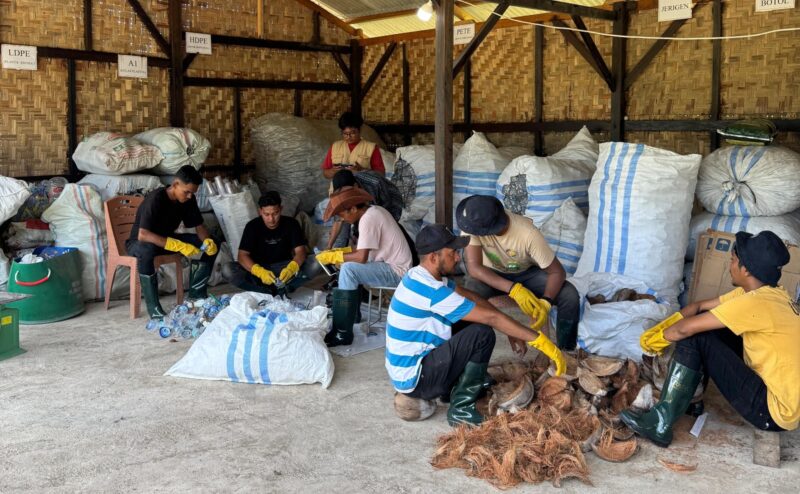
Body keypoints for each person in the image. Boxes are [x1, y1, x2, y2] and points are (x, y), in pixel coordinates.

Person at [620, 231, 799, 447]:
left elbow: (685, 331)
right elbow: (698, 307)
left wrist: (655, 340)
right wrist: (670, 323)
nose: (729, 266)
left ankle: (659, 424)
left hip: (771, 412)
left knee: (697, 337)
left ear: (746, 269)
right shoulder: (770, 294)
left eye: (733, 261)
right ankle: (692, 400)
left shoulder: (755, 304)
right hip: (783, 402)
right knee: (711, 329)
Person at [385, 224, 566, 427]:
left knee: (468, 320)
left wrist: (509, 329)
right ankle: (461, 408)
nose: (457, 257)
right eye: (452, 252)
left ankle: (452, 388)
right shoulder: (431, 291)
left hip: (416, 368)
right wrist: (539, 340)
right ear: (434, 257)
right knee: (481, 334)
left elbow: (467, 295)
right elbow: (490, 319)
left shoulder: (420, 276)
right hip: (418, 380)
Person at [455, 195, 580, 350]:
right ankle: (466, 352)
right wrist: (513, 288)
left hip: (526, 272)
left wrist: (546, 302)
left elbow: (557, 272)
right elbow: (474, 267)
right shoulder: (473, 225)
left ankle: (566, 351)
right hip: (490, 273)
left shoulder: (528, 234)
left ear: (489, 229)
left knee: (570, 295)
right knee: (468, 296)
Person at [315, 188, 412, 347]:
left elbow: (361, 257)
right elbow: (361, 250)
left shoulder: (368, 218)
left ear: (353, 208)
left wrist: (335, 257)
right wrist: (339, 252)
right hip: (389, 265)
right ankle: (352, 317)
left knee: (349, 269)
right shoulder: (374, 211)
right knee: (349, 267)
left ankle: (342, 332)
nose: (344, 220)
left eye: (343, 215)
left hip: (397, 271)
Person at [126, 165, 218, 319]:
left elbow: (199, 226)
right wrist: (178, 245)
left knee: (214, 241)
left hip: (166, 241)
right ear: (175, 184)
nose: (189, 196)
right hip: (140, 243)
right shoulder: (155, 198)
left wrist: (207, 241)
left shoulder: (189, 200)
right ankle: (154, 308)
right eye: (186, 192)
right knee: (147, 250)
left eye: (192, 193)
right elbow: (143, 235)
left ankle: (196, 293)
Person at [227, 191, 312, 295]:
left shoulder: (292, 224)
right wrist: (259, 272)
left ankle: (287, 287)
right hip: (260, 268)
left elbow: (300, 252)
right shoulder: (252, 226)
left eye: (275, 213)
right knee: (228, 270)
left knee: (316, 262)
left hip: (284, 267)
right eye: (266, 214)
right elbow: (242, 256)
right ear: (260, 211)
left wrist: (291, 268)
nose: (271, 219)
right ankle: (264, 291)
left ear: (281, 209)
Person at [326, 168, 405, 250]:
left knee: (380, 235)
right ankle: (340, 247)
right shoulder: (345, 191)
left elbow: (382, 209)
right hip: (370, 207)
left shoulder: (374, 183)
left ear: (355, 186)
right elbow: (339, 219)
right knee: (347, 216)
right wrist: (329, 246)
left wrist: (362, 240)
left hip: (390, 202)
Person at [321, 112, 385, 180]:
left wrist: (362, 170)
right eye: (345, 133)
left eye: (352, 133)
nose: (348, 137)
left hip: (361, 189)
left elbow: (381, 175)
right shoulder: (335, 146)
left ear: (359, 130)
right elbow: (325, 173)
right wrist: (332, 171)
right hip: (339, 190)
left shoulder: (371, 148)